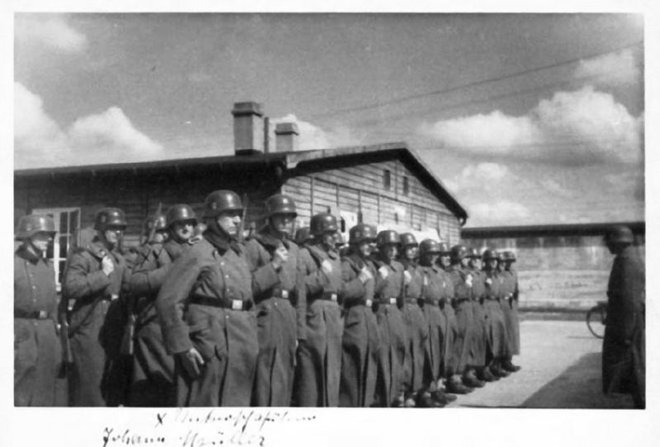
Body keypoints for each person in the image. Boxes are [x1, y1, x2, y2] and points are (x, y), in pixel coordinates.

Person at [156, 190, 281, 406]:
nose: (237, 220)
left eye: (238, 215)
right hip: (211, 344)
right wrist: (183, 346)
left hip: (243, 343)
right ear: (213, 218)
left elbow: (247, 290)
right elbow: (168, 300)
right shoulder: (199, 252)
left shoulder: (238, 252)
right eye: (229, 214)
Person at [63, 207, 131, 406]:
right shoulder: (84, 256)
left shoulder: (119, 258)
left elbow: (127, 285)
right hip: (90, 325)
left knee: (108, 384)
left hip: (113, 323)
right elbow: (70, 287)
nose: (117, 232)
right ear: (100, 229)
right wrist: (102, 275)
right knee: (90, 387)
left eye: (120, 228)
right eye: (112, 228)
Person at [244, 194, 306, 407]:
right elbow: (247, 287)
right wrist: (274, 265)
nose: (286, 221)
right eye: (280, 217)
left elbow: (300, 293)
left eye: (289, 217)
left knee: (284, 373)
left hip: (287, 316)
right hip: (265, 314)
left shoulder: (295, 249)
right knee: (264, 374)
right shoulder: (254, 245)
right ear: (269, 218)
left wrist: (299, 331)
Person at [294, 213, 346, 407]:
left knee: (332, 370)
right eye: (330, 233)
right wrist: (320, 276)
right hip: (314, 318)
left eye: (335, 233)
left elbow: (341, 290)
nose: (335, 237)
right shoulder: (305, 255)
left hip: (333, 319)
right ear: (318, 233)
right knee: (310, 376)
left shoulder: (335, 258)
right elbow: (299, 289)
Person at [128, 210, 179, 406]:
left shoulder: (173, 251)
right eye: (159, 232)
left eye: (166, 231)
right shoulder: (148, 253)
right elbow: (135, 282)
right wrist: (170, 270)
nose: (163, 236)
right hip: (151, 321)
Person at [14, 214, 61, 406]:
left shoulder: (47, 266)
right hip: (21, 329)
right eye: (42, 235)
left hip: (47, 330)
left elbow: (52, 303)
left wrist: (56, 328)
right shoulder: (12, 264)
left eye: (50, 235)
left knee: (46, 383)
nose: (48, 240)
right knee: (23, 382)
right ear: (27, 235)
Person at [339, 223, 381, 407]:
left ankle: (365, 404)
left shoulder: (370, 265)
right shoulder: (346, 265)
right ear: (355, 244)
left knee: (369, 363)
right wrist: (360, 280)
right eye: (365, 242)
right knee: (352, 367)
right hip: (354, 318)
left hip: (369, 318)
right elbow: (341, 293)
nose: (369, 246)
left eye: (371, 242)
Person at [602, 225, 645, 408]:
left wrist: (625, 333)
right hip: (627, 323)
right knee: (633, 370)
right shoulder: (628, 258)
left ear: (617, 242)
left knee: (634, 369)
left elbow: (629, 301)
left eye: (610, 243)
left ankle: (643, 406)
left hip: (626, 327)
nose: (608, 247)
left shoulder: (626, 262)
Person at [371, 229, 408, 407]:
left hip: (395, 312)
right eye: (389, 247)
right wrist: (380, 279)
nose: (392, 251)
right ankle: (382, 398)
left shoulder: (399, 267)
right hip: (380, 310)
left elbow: (402, 295)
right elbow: (370, 292)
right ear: (381, 247)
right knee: (383, 355)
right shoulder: (374, 265)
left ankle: (397, 395)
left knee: (399, 352)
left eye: (395, 247)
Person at [417, 239, 455, 407]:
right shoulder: (418, 271)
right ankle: (424, 392)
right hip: (424, 311)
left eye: (435, 254)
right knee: (427, 353)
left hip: (437, 311)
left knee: (439, 351)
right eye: (429, 254)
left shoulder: (438, 272)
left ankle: (436, 387)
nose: (432, 257)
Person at [447, 244, 483, 391]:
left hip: (468, 308)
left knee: (468, 341)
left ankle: (465, 373)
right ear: (459, 258)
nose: (467, 260)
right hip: (460, 308)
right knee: (459, 342)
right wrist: (466, 284)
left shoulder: (464, 272)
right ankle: (454, 378)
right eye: (465, 257)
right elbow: (455, 293)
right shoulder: (453, 273)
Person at [398, 233, 429, 407]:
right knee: (405, 353)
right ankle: (401, 393)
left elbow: (422, 295)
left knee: (417, 353)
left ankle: (414, 391)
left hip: (417, 310)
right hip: (404, 310)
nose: (411, 251)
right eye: (408, 248)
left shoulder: (417, 270)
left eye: (413, 248)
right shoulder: (399, 268)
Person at [467, 248, 496, 382]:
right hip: (470, 307)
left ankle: (483, 368)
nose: (475, 261)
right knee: (472, 341)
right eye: (472, 258)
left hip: (480, 307)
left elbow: (485, 292)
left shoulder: (481, 274)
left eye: (478, 258)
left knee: (482, 339)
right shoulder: (467, 274)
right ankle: (471, 372)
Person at [481, 249, 510, 378]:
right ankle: (486, 367)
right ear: (485, 262)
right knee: (489, 337)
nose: (493, 263)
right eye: (490, 261)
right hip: (488, 305)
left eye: (495, 261)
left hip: (497, 306)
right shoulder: (483, 275)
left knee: (499, 336)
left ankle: (496, 365)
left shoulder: (498, 276)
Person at [501, 251, 521, 372]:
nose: (508, 264)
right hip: (502, 305)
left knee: (512, 333)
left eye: (511, 262)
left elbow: (517, 289)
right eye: (506, 262)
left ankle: (508, 359)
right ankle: (501, 361)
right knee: (503, 333)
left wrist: (515, 303)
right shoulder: (500, 273)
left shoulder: (513, 273)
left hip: (511, 305)